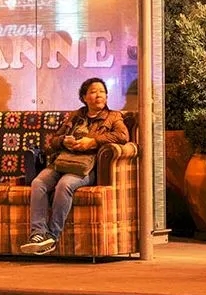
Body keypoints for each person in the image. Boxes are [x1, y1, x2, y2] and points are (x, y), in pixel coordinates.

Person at [19, 77, 129, 255]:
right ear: (84, 97)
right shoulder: (76, 116)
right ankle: (38, 233)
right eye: (93, 92)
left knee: (64, 185)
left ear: (107, 96)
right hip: (62, 161)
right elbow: (53, 141)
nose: (98, 95)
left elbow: (122, 136)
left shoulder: (113, 116)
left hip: (86, 166)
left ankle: (52, 236)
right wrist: (64, 141)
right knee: (38, 183)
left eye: (102, 92)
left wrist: (92, 142)